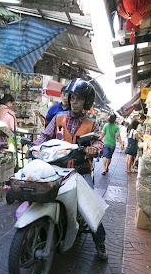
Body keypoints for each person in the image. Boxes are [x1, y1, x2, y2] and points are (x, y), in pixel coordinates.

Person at [34, 78, 108, 261]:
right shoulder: (58, 118)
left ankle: (100, 243)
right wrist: (35, 147)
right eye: (72, 97)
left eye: (79, 99)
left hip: (80, 172)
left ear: (86, 102)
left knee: (89, 209)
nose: (74, 101)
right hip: (57, 169)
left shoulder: (92, 123)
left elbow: (99, 142)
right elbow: (44, 136)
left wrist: (94, 149)